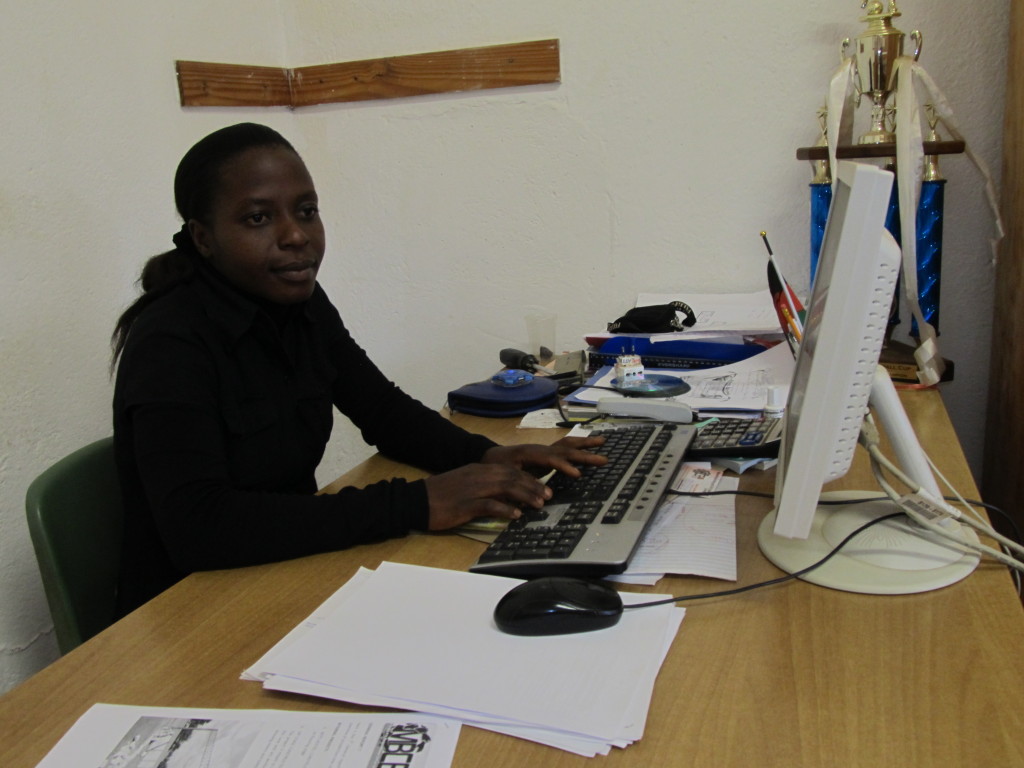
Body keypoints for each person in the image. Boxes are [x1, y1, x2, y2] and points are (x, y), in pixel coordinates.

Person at [111, 123, 605, 616]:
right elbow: (200, 528)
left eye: (307, 212)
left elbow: (381, 408)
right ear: (203, 237)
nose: (295, 236)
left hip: (281, 570)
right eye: (258, 218)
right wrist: (415, 503)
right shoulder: (169, 341)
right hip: (192, 610)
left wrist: (487, 456)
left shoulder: (297, 302)